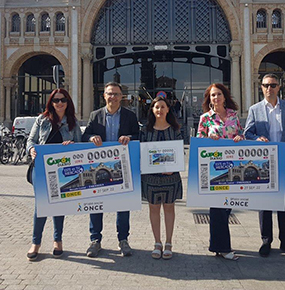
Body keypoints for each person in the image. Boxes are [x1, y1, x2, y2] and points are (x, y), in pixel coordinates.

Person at [244, 74, 285, 258]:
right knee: (264, 203)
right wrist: (256, 139)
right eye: (265, 85)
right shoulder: (255, 109)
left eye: (273, 85)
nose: (269, 88)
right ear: (261, 87)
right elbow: (248, 132)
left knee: (284, 202)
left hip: (284, 161)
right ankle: (266, 240)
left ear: (279, 87)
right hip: (263, 164)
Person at [82, 82, 139, 257]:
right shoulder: (95, 115)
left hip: (122, 167)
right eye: (109, 93)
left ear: (122, 97)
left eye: (116, 94)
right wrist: (92, 137)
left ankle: (123, 240)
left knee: (123, 205)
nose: (112, 97)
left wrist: (128, 137)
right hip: (99, 168)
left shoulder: (130, 116)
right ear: (104, 96)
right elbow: (85, 136)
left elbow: (138, 136)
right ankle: (95, 240)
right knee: (96, 205)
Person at [26, 89, 82, 261]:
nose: (59, 103)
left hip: (63, 170)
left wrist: (71, 145)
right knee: (41, 205)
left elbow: (80, 145)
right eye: (56, 100)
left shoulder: (72, 122)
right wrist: (32, 150)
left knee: (59, 204)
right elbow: (30, 140)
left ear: (68, 102)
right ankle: (36, 242)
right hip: (41, 168)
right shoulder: (42, 120)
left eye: (63, 100)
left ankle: (58, 240)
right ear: (51, 102)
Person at [197, 83, 244, 261]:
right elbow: (198, 139)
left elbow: (240, 133)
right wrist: (209, 138)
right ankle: (224, 248)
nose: (215, 98)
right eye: (212, 95)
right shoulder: (205, 118)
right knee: (218, 208)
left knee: (226, 207)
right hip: (214, 168)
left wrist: (240, 137)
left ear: (225, 96)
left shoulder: (233, 115)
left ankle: (217, 245)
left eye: (218, 94)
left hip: (234, 166)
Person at [141, 96, 183, 260]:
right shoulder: (145, 130)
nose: (160, 110)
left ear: (167, 109)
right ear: (152, 110)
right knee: (153, 209)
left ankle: (169, 243)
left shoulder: (175, 129)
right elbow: (143, 153)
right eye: (156, 107)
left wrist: (172, 169)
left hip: (170, 179)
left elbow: (179, 152)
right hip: (151, 179)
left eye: (162, 107)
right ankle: (157, 242)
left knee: (169, 208)